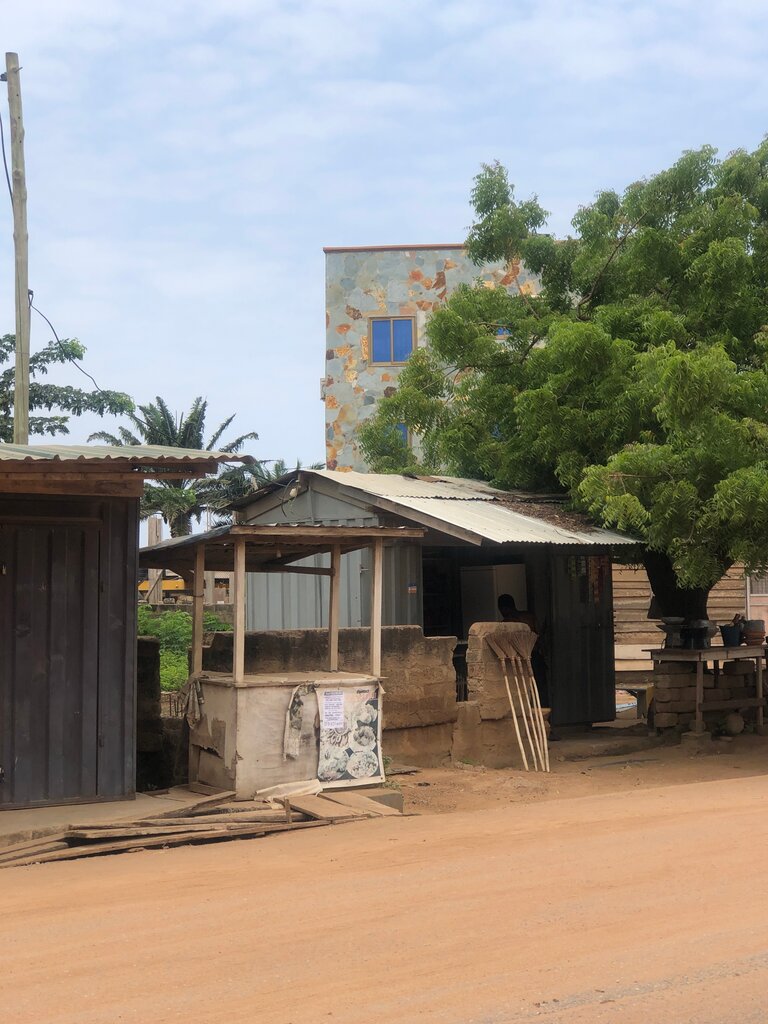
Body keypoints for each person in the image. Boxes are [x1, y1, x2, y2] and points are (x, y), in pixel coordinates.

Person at [497, 593, 551, 713]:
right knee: (539, 691)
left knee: (529, 691)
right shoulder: (529, 617)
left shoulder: (507, 623)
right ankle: (544, 720)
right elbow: (540, 637)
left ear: (504, 608)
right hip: (535, 657)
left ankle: (539, 721)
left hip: (524, 659)